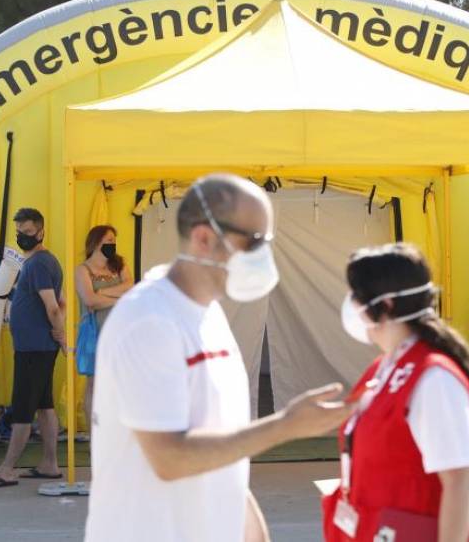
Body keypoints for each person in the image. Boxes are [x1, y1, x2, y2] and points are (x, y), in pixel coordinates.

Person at [85, 174, 355, 542]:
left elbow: (225, 457)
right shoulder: (148, 321)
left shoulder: (208, 314)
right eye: (254, 241)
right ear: (204, 238)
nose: (263, 256)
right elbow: (169, 458)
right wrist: (285, 426)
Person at [323, 243, 469, 542]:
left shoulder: (434, 378)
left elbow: (459, 482)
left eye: (356, 295)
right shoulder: (384, 367)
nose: (350, 304)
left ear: (385, 305)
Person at [0, 208, 65, 488]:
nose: (23, 237)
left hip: (34, 348)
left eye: (28, 232)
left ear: (41, 231)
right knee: (44, 405)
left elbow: (53, 305)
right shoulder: (43, 262)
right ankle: (49, 464)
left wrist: (60, 335)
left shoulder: (39, 263)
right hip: (37, 346)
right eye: (19, 233)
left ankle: (6, 468)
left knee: (24, 409)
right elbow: (61, 302)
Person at [74, 225, 132, 433]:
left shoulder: (120, 264)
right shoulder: (82, 270)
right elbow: (89, 299)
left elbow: (130, 288)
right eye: (107, 240)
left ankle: (116, 431)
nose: (111, 244)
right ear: (95, 242)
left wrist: (103, 293)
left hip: (120, 331)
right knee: (94, 383)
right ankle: (94, 434)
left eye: (113, 240)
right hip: (95, 332)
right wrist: (118, 295)